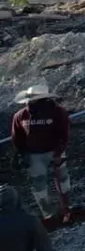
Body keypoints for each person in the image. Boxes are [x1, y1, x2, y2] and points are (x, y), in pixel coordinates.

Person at [9, 88, 67, 218]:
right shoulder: (20, 115)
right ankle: (48, 213)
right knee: (39, 183)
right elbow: (17, 137)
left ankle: (66, 207)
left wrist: (58, 152)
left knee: (62, 178)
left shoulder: (57, 112)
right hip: (33, 155)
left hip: (53, 151)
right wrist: (20, 153)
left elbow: (64, 134)